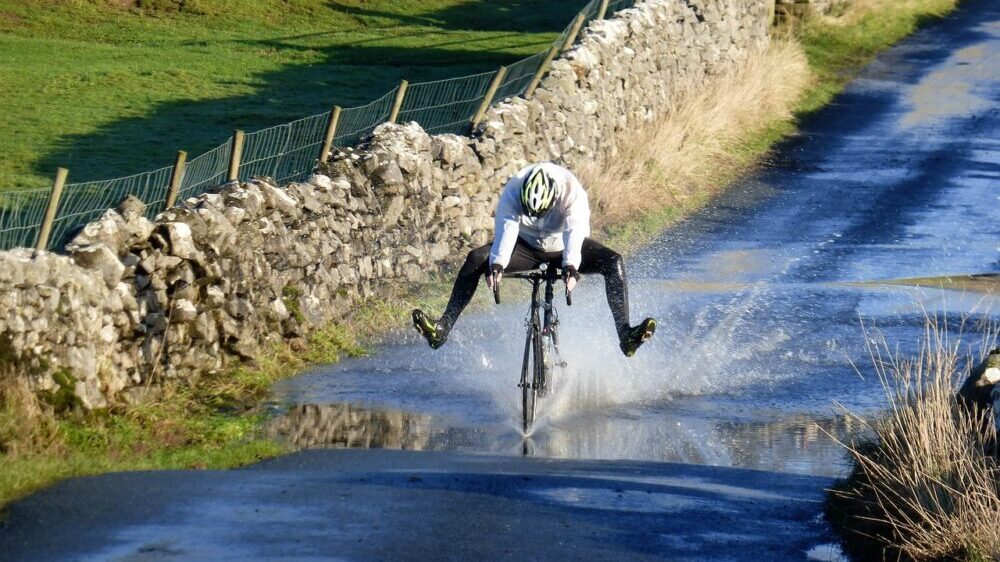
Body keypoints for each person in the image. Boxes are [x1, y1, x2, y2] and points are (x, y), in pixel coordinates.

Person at [411, 162, 656, 356]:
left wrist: (571, 267)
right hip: (526, 247)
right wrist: (497, 264)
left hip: (563, 248)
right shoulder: (514, 188)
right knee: (476, 259)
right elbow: (506, 229)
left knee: (614, 261)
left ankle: (625, 335)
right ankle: (442, 329)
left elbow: (575, 232)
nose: (537, 217)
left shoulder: (572, 192)